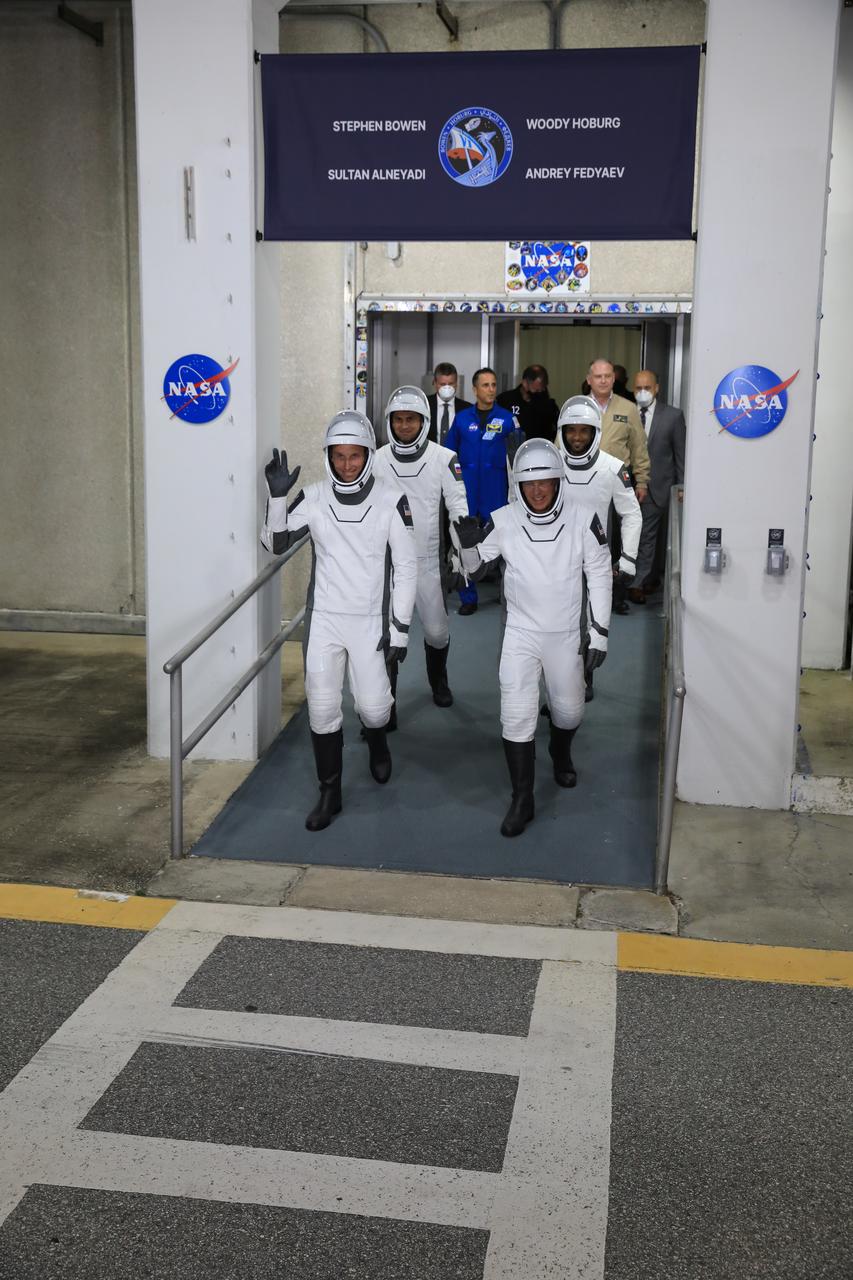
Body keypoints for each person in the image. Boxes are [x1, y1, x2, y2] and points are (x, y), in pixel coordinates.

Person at [261, 412, 417, 832]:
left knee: (374, 707)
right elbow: (275, 543)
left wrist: (400, 626)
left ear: (368, 455)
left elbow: (406, 568)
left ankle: (378, 740)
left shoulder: (391, 499)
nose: (347, 464)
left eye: (355, 455)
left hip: (371, 621)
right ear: (328, 456)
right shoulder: (312, 497)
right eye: (339, 456)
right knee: (323, 707)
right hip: (325, 619)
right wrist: (277, 499)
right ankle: (330, 791)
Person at [454, 439, 612, 837]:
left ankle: (560, 749)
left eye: (545, 482)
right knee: (516, 714)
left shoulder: (583, 518)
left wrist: (599, 633)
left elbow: (600, 575)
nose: (537, 491)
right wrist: (468, 546)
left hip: (564, 635)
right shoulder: (503, 519)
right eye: (529, 484)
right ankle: (522, 797)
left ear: (559, 482)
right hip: (520, 634)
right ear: (518, 485)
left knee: (570, 711)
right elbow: (472, 571)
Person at [373, 385, 469, 722]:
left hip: (427, 563)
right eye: (397, 420)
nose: (403, 426)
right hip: (387, 566)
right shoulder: (376, 460)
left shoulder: (444, 459)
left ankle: (438, 681)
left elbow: (459, 510)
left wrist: (462, 557)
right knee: (387, 633)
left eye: (410, 419)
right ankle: (386, 702)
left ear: (423, 421)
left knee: (437, 632)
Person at [557, 395, 641, 699]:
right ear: (562, 431)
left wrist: (628, 558)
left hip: (596, 561)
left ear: (595, 432)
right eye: (571, 430)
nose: (577, 437)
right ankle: (558, 687)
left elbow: (631, 513)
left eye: (584, 430)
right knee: (556, 625)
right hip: (554, 559)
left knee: (592, 623)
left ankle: (584, 678)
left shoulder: (613, 468)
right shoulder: (550, 463)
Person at [445, 367, 519, 615]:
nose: (490, 389)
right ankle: (468, 597)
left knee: (504, 544)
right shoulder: (463, 419)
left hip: (496, 492)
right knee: (464, 543)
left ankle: (507, 594)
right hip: (467, 492)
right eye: (485, 385)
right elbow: (448, 455)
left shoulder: (507, 419)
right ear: (475, 389)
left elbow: (518, 453)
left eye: (493, 385)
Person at [586, 356, 649, 614]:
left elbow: (639, 448)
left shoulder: (628, 408)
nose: (603, 380)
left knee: (619, 541)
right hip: (586, 482)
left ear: (614, 378)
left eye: (608, 376)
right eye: (598, 376)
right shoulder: (578, 405)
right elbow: (560, 444)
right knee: (589, 540)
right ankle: (588, 592)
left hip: (619, 484)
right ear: (589, 379)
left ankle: (616, 596)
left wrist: (642, 480)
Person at [628, 369, 687, 603]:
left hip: (658, 485)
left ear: (657, 389)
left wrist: (681, 485)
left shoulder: (672, 416)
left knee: (647, 536)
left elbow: (680, 453)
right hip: (628, 486)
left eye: (647, 388)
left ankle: (637, 583)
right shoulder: (626, 413)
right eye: (638, 388)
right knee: (633, 536)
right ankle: (640, 578)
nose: (642, 393)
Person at [496, 363, 559, 442]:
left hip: (539, 449)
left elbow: (556, 431)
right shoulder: (505, 400)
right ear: (525, 383)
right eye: (536, 390)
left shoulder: (548, 405)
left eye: (542, 389)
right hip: (512, 450)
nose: (540, 392)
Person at [427, 361, 471, 445]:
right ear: (435, 383)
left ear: (456, 383)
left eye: (451, 384)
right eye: (443, 384)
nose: (447, 388)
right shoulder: (425, 405)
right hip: (431, 456)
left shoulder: (467, 409)